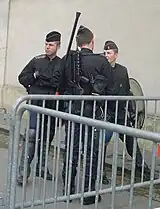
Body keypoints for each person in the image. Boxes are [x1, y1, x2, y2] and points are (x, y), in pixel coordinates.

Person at [59, 26, 114, 205]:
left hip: (73, 110)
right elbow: (111, 88)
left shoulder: (67, 58)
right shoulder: (100, 61)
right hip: (92, 112)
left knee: (71, 149)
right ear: (92, 42)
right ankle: (89, 193)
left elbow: (60, 83)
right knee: (91, 152)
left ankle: (68, 189)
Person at [102, 40, 151, 183]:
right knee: (103, 143)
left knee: (131, 140)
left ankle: (141, 167)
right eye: (105, 53)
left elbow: (128, 91)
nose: (106, 55)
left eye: (109, 53)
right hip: (107, 112)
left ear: (116, 55)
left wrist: (130, 110)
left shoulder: (122, 70)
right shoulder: (101, 69)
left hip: (121, 112)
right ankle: (101, 172)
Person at [17, 31, 61, 185]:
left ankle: (41, 168)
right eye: (46, 44)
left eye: (51, 45)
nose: (47, 47)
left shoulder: (61, 64)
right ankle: (23, 171)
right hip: (36, 104)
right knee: (32, 134)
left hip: (51, 106)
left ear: (58, 46)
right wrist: (34, 77)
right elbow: (22, 77)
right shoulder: (37, 61)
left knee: (47, 136)